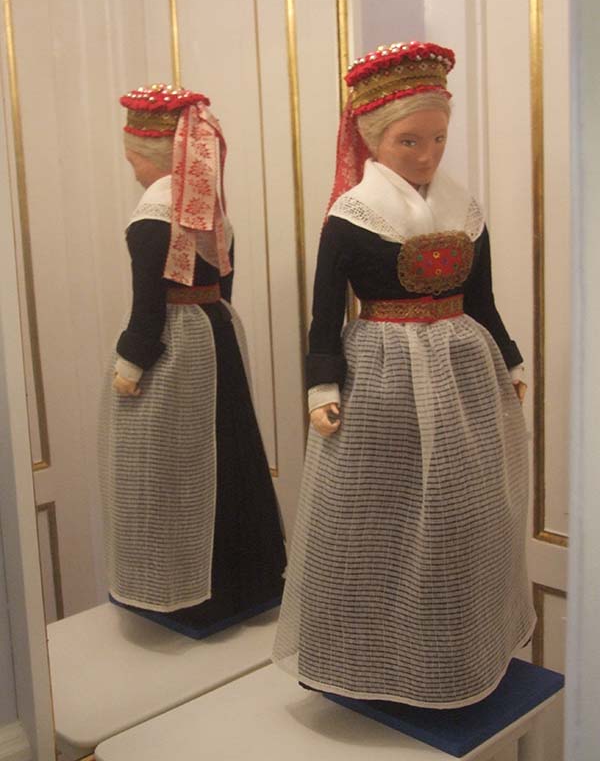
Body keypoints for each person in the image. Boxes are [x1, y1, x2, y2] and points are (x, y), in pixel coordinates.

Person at [273, 42, 536, 707]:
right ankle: (364, 657)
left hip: (465, 373)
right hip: (382, 376)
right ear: (373, 140)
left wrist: (508, 359)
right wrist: (322, 385)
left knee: (463, 515)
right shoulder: (353, 216)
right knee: (373, 520)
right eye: (409, 142)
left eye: (438, 139)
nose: (426, 156)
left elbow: (482, 302)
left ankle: (453, 647)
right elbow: (324, 315)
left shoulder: (464, 209)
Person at [99, 83, 286, 638]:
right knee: (225, 450)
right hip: (216, 331)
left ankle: (183, 591)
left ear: (152, 157)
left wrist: (131, 363)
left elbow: (148, 307)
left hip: (176, 346)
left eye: (134, 159)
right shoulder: (209, 211)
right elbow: (225, 284)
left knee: (172, 465)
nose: (133, 170)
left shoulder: (152, 218)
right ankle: (243, 580)